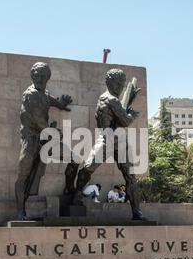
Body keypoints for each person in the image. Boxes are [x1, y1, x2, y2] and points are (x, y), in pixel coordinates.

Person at [72, 68, 146, 220]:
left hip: (119, 140)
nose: (119, 87)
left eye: (121, 84)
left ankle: (137, 213)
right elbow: (124, 120)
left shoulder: (113, 100)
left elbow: (118, 117)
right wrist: (131, 114)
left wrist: (128, 100)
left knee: (130, 177)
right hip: (106, 140)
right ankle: (77, 193)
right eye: (116, 83)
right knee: (87, 168)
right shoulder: (110, 99)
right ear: (108, 82)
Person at [15, 62, 79, 220]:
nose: (39, 78)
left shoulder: (43, 93)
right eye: (36, 75)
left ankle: (69, 190)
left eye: (43, 76)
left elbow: (49, 99)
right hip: (31, 139)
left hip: (46, 139)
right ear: (32, 76)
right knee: (24, 172)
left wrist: (61, 104)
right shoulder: (30, 94)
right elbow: (38, 120)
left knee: (75, 159)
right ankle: (20, 211)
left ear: (47, 78)